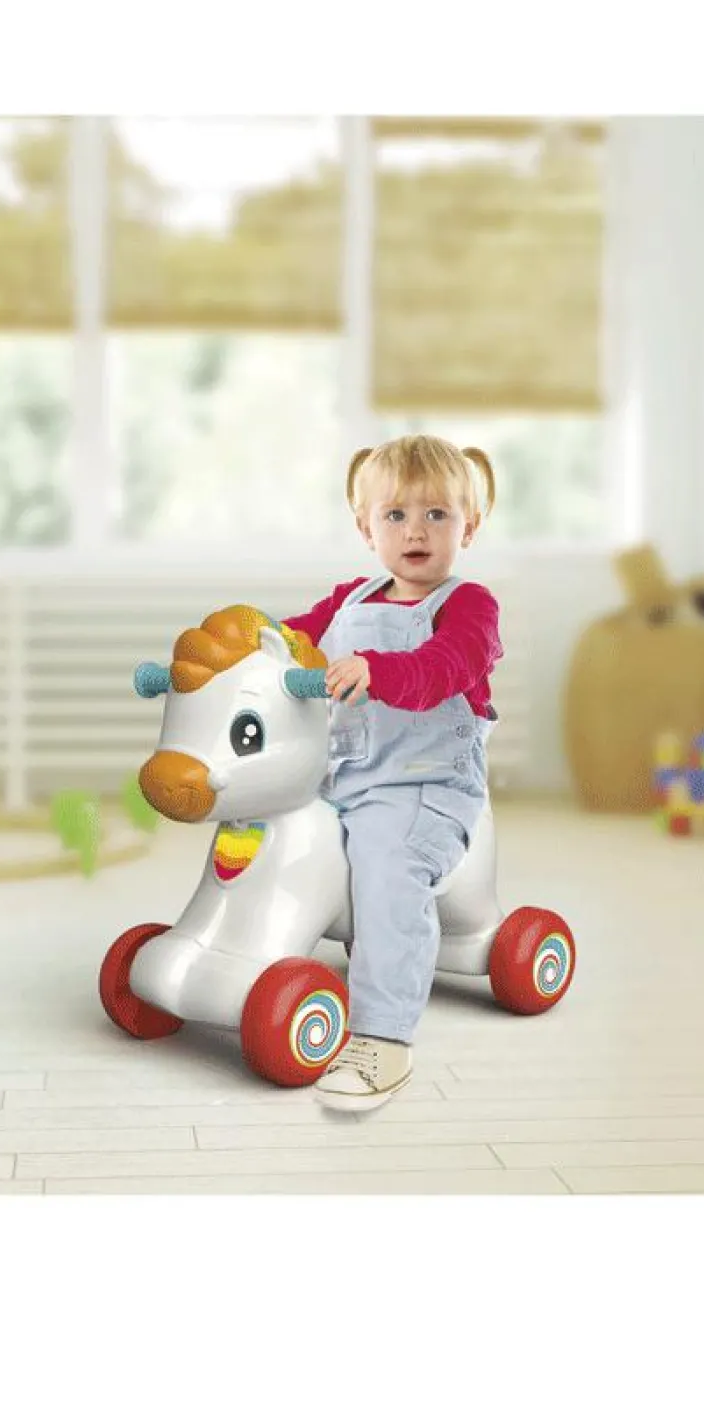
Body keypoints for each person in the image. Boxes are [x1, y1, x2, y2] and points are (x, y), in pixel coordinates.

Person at [281, 435, 501, 1113]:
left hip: (424, 788)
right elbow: (291, 639)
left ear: (469, 525)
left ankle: (383, 1038)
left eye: (437, 514)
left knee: (387, 866)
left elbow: (445, 668)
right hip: (342, 780)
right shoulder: (349, 599)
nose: (416, 531)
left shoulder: (470, 607)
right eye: (396, 515)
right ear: (365, 526)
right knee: (270, 834)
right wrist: (239, 647)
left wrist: (377, 671)